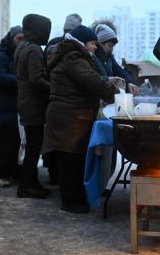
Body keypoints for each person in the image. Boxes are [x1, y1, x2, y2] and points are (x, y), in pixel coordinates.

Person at [44, 25, 118, 213]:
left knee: (71, 158)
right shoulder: (73, 57)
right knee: (70, 159)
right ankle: (70, 201)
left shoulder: (71, 54)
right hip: (70, 115)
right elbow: (90, 80)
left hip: (69, 114)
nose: (95, 47)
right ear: (83, 43)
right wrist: (112, 92)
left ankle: (74, 198)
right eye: (93, 43)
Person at [15, 14, 52, 199]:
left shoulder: (22, 46)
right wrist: (54, 90)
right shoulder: (34, 49)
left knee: (32, 145)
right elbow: (36, 79)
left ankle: (30, 182)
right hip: (34, 104)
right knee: (34, 147)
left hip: (25, 102)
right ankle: (26, 185)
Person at [0, 26, 24, 188]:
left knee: (18, 142)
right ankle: (2, 174)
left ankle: (14, 172)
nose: (21, 41)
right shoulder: (1, 55)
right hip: (5, 105)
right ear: (11, 38)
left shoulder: (21, 54)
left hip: (18, 104)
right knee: (6, 142)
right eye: (18, 38)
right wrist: (20, 80)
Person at [92, 23, 138, 94]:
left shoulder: (109, 57)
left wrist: (129, 83)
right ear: (100, 43)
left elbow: (120, 71)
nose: (111, 49)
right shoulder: (93, 57)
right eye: (109, 46)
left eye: (113, 46)